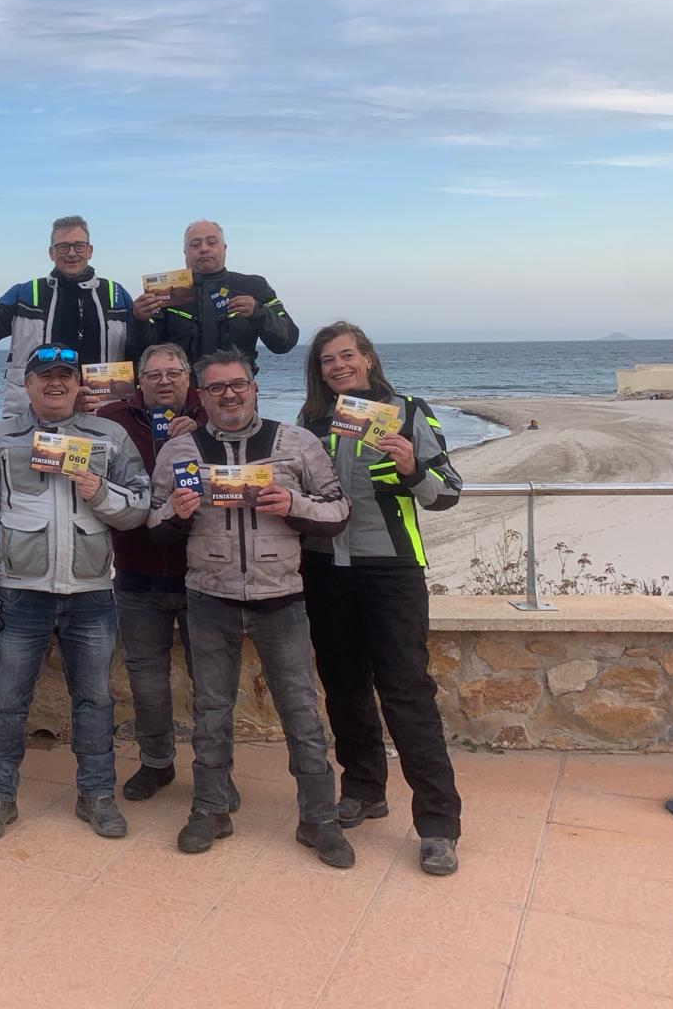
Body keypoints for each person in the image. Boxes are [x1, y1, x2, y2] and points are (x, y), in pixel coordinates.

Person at [147, 348, 354, 867]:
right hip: (209, 597)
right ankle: (210, 809)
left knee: (301, 712)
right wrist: (175, 513)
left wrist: (294, 505)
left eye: (237, 384)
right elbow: (152, 523)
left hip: (280, 597)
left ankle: (319, 819)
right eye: (216, 387)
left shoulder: (296, 442)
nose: (229, 395)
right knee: (210, 711)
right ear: (201, 394)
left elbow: (338, 508)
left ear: (254, 386)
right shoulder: (179, 450)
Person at [0, 344, 151, 842]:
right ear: (27, 385)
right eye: (44, 375)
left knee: (95, 701)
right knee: (6, 703)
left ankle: (97, 796)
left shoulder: (109, 437)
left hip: (92, 595)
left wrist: (99, 491)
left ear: (78, 384)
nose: (55, 383)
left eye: (65, 375)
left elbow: (140, 505)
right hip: (20, 595)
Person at [297, 321, 465, 877]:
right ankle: (364, 789)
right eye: (327, 360)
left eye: (347, 355)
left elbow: (449, 491)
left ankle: (438, 824)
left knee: (406, 692)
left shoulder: (410, 412)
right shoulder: (311, 421)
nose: (338, 366)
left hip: (391, 570)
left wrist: (414, 469)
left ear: (368, 358)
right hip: (325, 570)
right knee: (344, 687)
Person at [94, 342, 207, 802]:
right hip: (136, 570)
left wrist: (202, 433)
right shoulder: (113, 418)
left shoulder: (211, 413)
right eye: (154, 374)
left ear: (188, 378)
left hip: (201, 573)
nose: (164, 381)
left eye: (173, 373)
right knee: (146, 681)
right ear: (139, 381)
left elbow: (243, 467)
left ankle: (214, 770)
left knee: (210, 682)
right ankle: (156, 763)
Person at [0, 215, 137, 417]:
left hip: (102, 413)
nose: (71, 253)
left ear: (89, 250)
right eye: (63, 247)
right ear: (51, 253)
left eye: (79, 246)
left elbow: (139, 352)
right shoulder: (25, 294)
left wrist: (142, 321)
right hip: (34, 417)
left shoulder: (116, 295)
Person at [133, 220, 297, 372]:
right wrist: (140, 321)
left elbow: (286, 342)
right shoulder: (165, 290)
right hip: (183, 390)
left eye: (212, 242)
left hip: (235, 389)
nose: (204, 248)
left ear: (224, 248)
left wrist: (259, 312)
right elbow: (142, 353)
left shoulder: (254, 286)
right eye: (195, 244)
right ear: (185, 253)